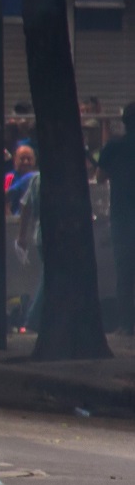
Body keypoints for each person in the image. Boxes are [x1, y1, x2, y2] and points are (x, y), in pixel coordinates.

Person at [97, 102, 135, 336]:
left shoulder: (113, 147)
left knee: (125, 272)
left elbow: (100, 177)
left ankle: (126, 324)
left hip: (122, 217)